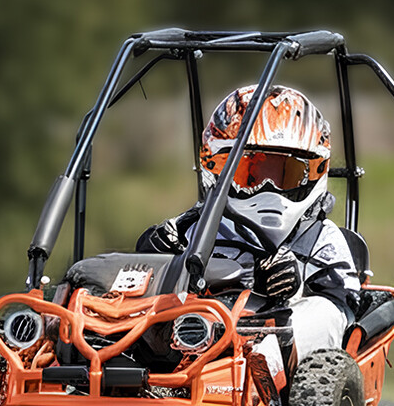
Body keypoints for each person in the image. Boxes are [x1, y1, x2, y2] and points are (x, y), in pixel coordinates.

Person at [137, 84, 361, 373]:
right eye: (250, 173)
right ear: (216, 165)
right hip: (199, 339)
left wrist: (296, 287)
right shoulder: (196, 227)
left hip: (283, 357)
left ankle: (259, 377)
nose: (267, 188)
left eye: (285, 172)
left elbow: (347, 305)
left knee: (321, 312)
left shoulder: (320, 237)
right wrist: (155, 253)